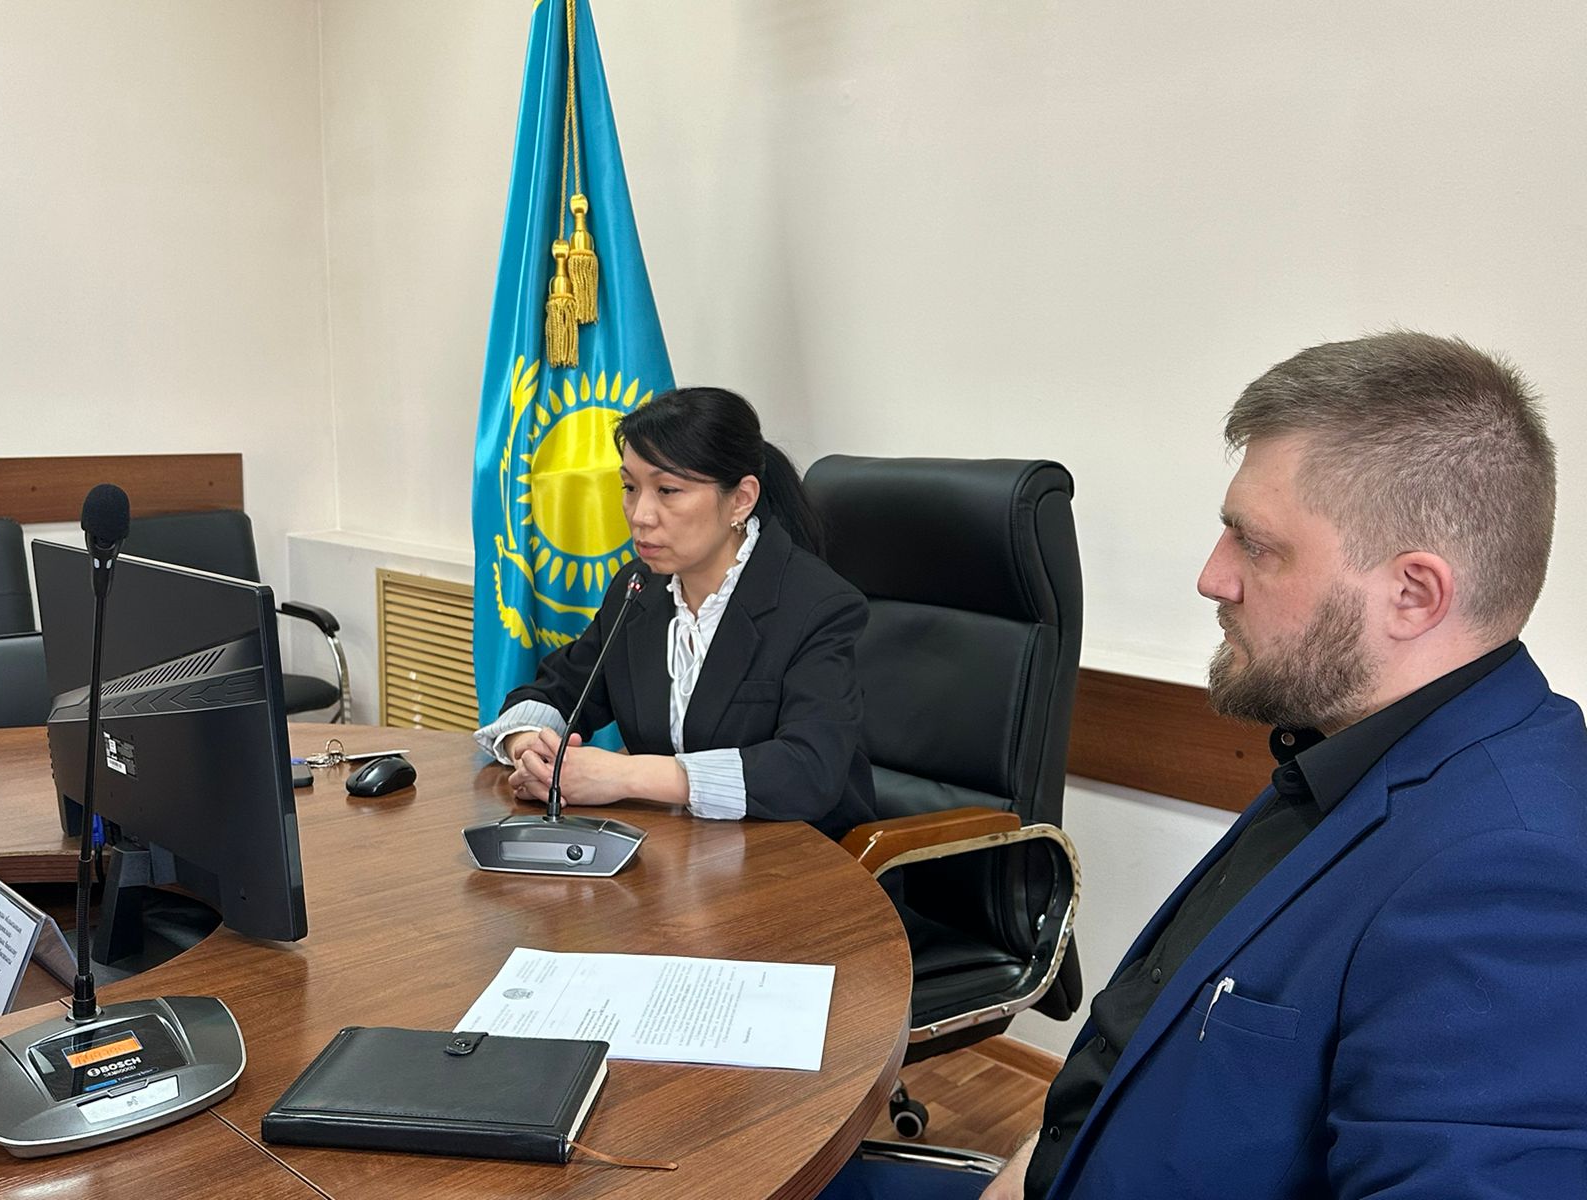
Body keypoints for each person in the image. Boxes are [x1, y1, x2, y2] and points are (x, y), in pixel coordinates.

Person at [823, 331, 1587, 1199]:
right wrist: (1040, 1154)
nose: (1212, 577)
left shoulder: (1514, 873)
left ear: (1412, 595)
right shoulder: (1351, 747)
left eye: (1254, 544)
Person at [474, 386, 877, 841]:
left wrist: (626, 776)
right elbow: (556, 690)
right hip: (681, 852)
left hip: (804, 859)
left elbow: (809, 771)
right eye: (629, 488)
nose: (640, 515)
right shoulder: (639, 588)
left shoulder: (818, 605)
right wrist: (533, 750)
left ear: (741, 499)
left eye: (667, 490)